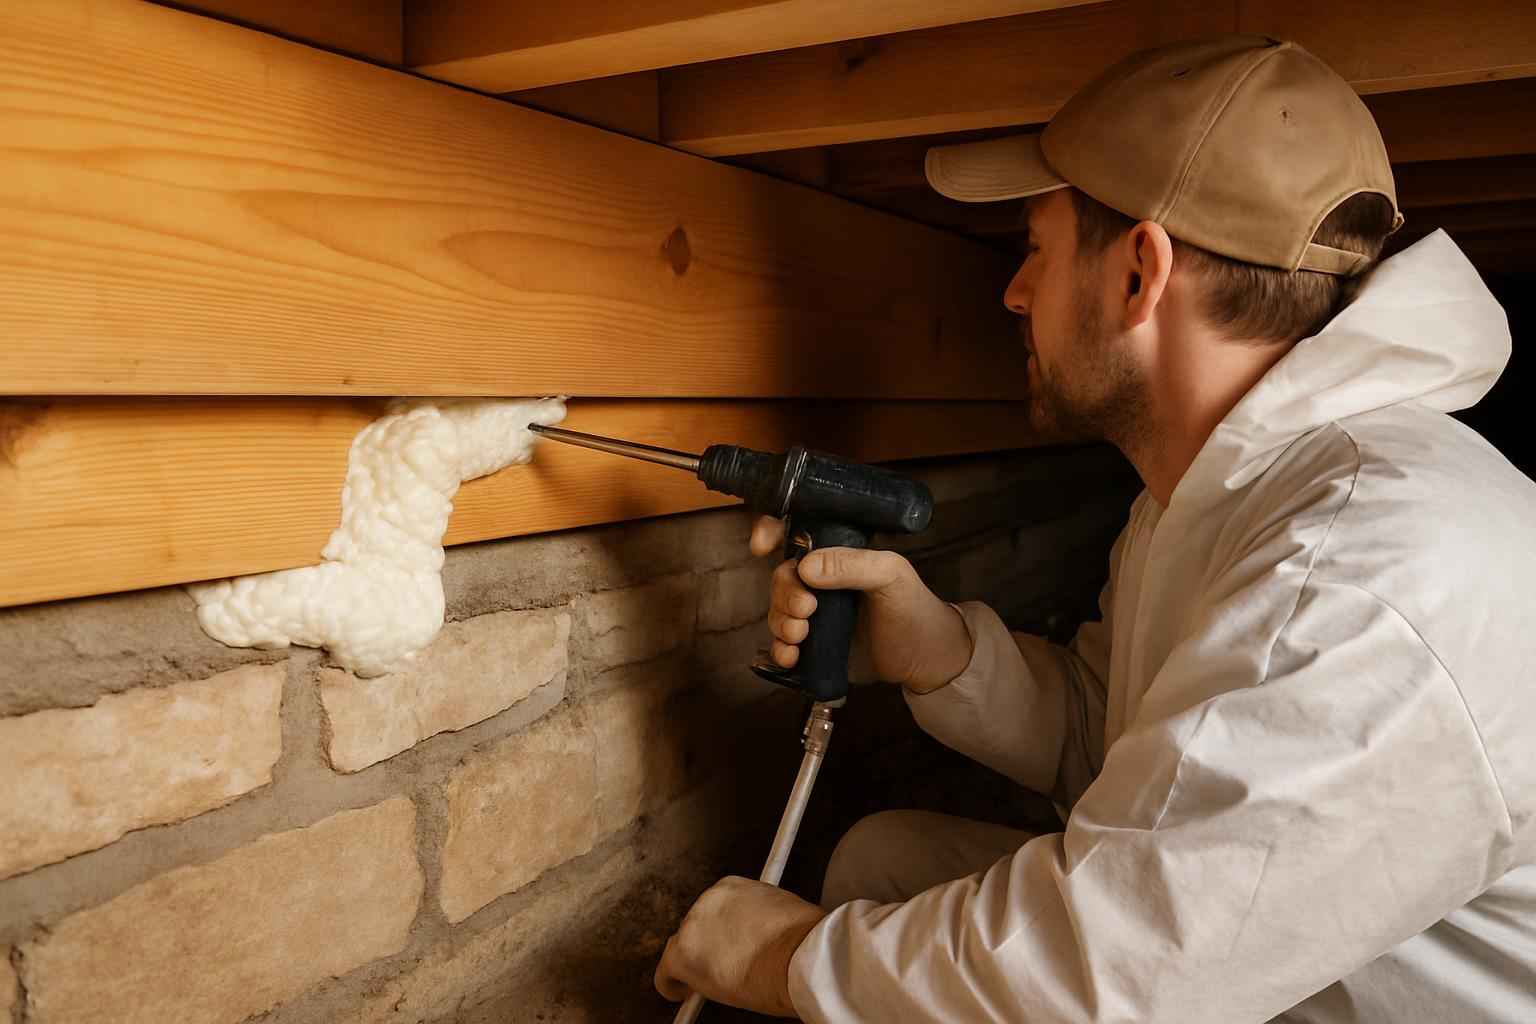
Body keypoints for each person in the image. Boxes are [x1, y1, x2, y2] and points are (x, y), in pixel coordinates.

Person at [656, 34, 1535, 1022]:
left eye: (1035, 247)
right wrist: (943, 652)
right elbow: (1134, 751)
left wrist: (782, 958)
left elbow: (1111, 981)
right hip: (1286, 956)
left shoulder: (1371, 573)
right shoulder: (1214, 497)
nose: (1014, 292)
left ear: (1138, 275)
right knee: (880, 861)